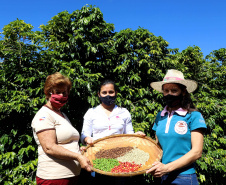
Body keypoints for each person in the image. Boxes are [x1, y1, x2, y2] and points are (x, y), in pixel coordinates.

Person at [146, 69, 207, 185]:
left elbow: (197, 152)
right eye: (166, 90)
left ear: (183, 91)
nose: (169, 94)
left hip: (184, 177)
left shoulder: (193, 116)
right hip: (162, 176)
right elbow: (158, 147)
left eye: (174, 90)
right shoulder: (160, 116)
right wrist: (141, 139)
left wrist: (167, 168)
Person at [80, 79, 145, 185]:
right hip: (98, 157)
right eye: (104, 93)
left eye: (111, 92)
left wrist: (136, 136)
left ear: (116, 93)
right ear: (99, 94)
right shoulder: (91, 112)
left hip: (120, 157)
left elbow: (129, 135)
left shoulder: (124, 112)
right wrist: (87, 139)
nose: (108, 95)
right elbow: (84, 135)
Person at [31, 72, 92, 185]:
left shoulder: (62, 115)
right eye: (57, 92)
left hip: (72, 176)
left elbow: (65, 143)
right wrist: (77, 156)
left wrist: (79, 150)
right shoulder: (43, 115)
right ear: (47, 93)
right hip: (54, 178)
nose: (61, 96)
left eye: (64, 93)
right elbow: (49, 147)